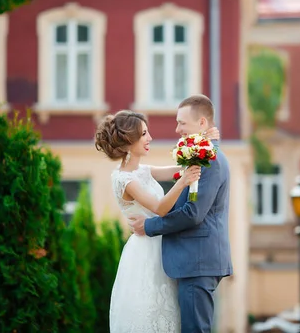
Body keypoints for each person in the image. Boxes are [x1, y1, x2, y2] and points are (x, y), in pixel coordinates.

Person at [94, 109, 219, 333]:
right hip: (145, 252)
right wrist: (182, 183)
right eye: (143, 134)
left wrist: (203, 143)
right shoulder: (125, 180)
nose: (150, 138)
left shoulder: (142, 170)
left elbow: (179, 169)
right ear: (128, 140)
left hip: (162, 247)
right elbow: (160, 208)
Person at [128, 94, 232, 333]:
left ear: (202, 123)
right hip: (193, 261)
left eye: (182, 123)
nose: (177, 129)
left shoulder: (210, 160)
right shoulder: (201, 155)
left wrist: (150, 226)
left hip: (198, 261)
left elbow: (193, 213)